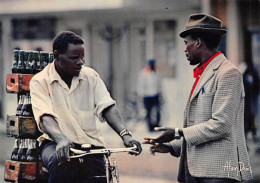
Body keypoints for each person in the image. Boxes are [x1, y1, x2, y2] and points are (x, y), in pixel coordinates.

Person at [143, 13, 253, 183]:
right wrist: (172, 147)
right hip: (198, 171)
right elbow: (201, 126)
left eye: (186, 43)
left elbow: (221, 125)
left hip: (218, 173)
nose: (185, 49)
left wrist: (178, 133)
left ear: (199, 43)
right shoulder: (205, 73)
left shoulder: (228, 73)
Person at [30, 31, 142, 183]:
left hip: (91, 145)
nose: (80, 62)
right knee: (59, 161)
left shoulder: (91, 76)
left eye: (82, 57)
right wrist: (62, 139)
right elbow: (45, 116)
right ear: (56, 55)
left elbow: (107, 106)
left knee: (100, 173)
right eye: (74, 58)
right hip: (55, 143)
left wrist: (125, 134)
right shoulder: (40, 81)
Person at [137, 59, 162, 132]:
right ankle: (150, 127)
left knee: (157, 111)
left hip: (155, 94)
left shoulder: (156, 71)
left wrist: (160, 93)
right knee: (148, 112)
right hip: (147, 95)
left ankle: (156, 125)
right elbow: (141, 84)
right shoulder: (144, 72)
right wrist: (141, 95)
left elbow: (159, 83)